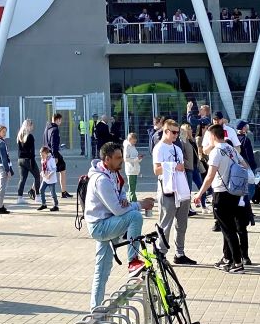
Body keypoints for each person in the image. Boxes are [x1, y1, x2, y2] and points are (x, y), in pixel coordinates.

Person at [84, 141, 156, 308]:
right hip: (100, 226)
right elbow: (117, 210)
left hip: (109, 222)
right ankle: (133, 261)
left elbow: (121, 193)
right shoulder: (101, 180)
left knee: (102, 271)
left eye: (121, 157)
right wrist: (139, 204)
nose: (121, 161)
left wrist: (124, 200)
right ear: (107, 159)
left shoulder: (113, 174)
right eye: (117, 158)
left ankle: (95, 310)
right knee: (135, 216)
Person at [194, 124, 250, 272]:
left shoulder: (216, 152)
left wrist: (200, 193)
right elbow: (244, 165)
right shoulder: (231, 148)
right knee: (229, 227)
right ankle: (228, 258)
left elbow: (210, 176)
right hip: (234, 192)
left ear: (213, 136)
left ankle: (237, 263)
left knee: (228, 229)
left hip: (221, 192)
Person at [153, 119, 197, 266]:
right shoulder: (159, 148)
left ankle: (180, 253)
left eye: (177, 132)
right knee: (166, 224)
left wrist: (179, 168)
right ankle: (161, 253)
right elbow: (156, 170)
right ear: (165, 131)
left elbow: (182, 167)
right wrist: (172, 166)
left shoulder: (177, 148)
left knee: (182, 224)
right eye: (173, 132)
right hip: (167, 190)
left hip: (181, 189)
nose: (176, 135)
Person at [15, 119, 40, 203]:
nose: (33, 127)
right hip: (28, 159)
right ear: (29, 126)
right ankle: (37, 196)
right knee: (37, 176)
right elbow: (32, 151)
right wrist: (32, 161)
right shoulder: (30, 136)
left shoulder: (19, 136)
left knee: (22, 179)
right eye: (31, 125)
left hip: (20, 160)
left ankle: (19, 197)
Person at [36, 146, 59, 211]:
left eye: (43, 155)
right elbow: (43, 168)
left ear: (47, 154)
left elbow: (54, 169)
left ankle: (56, 205)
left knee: (53, 193)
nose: (41, 156)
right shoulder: (43, 160)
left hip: (51, 180)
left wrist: (49, 175)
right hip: (45, 179)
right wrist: (42, 173)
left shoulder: (51, 160)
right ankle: (44, 204)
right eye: (40, 155)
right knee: (41, 190)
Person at [123, 132, 142, 201]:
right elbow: (126, 159)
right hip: (130, 169)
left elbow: (134, 157)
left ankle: (133, 200)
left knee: (133, 186)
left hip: (134, 169)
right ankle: (132, 200)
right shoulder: (127, 147)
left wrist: (139, 158)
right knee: (132, 187)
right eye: (134, 141)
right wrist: (136, 159)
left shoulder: (132, 146)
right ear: (130, 139)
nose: (135, 142)